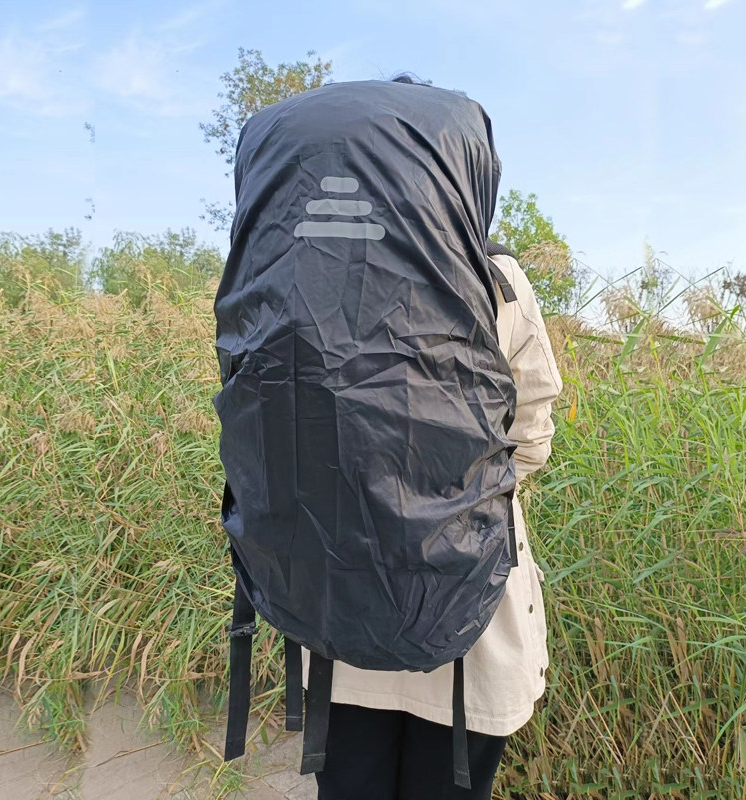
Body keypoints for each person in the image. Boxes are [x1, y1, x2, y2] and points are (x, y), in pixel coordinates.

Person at [299, 75, 564, 800]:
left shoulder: (299, 279)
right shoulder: (495, 278)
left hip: (337, 614)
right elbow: (531, 438)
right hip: (470, 622)